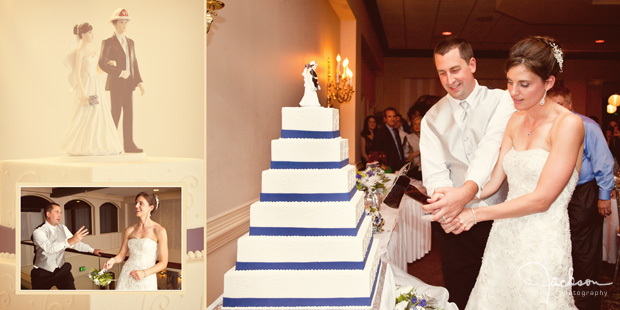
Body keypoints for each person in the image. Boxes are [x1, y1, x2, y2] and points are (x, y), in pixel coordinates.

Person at [445, 36, 583, 309]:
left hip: (543, 241)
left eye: (524, 84)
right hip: (503, 236)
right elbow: (495, 182)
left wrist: (476, 214)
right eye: (509, 82)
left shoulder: (568, 125)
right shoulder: (514, 120)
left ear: (549, 83)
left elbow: (542, 199)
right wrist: (458, 197)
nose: (513, 92)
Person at [419, 37, 515, 308]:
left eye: (455, 69)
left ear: (472, 64)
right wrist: (448, 209)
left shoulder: (502, 100)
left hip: (499, 217)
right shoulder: (431, 118)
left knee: (500, 293)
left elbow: (491, 148)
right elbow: (435, 174)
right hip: (454, 224)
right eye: (442, 72)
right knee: (460, 295)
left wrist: (466, 194)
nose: (450, 79)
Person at [548, 85, 614, 309]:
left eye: (560, 106)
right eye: (551, 106)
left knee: (584, 248)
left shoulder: (587, 126)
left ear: (569, 105)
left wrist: (604, 196)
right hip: (556, 193)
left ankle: (587, 300)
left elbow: (604, 164)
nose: (555, 111)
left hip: (584, 192)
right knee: (562, 244)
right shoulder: (548, 128)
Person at [60, 23, 122, 156]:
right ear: (82, 34)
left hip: (96, 86)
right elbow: (77, 73)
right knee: (86, 113)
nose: (92, 35)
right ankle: (83, 144)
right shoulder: (80, 52)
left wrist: (108, 65)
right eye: (89, 32)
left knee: (99, 114)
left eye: (92, 32)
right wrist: (83, 93)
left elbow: (97, 70)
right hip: (87, 86)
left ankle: (98, 143)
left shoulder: (93, 52)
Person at [99, 8, 145, 153]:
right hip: (116, 84)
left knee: (129, 114)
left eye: (126, 22)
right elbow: (102, 63)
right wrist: (119, 73)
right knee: (115, 113)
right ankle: (110, 144)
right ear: (115, 24)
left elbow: (134, 63)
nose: (124, 25)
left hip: (128, 84)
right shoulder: (108, 42)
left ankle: (129, 144)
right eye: (121, 22)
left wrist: (139, 81)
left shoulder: (130, 42)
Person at [103, 192, 168, 290]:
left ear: (151, 207)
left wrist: (144, 273)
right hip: (126, 274)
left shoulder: (159, 230)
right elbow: (121, 256)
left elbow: (163, 263)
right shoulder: (129, 230)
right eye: (136, 203)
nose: (136, 206)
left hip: (146, 276)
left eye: (141, 203)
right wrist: (113, 260)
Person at [31, 203, 102, 289]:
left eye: (60, 212)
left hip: (61, 270)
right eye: (57, 212)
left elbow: (76, 244)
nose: (60, 215)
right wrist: (71, 241)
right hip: (43, 273)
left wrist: (92, 250)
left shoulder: (63, 228)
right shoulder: (38, 232)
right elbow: (49, 248)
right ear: (48, 214)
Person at [375, 107, 406, 171]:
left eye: (394, 116)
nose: (392, 119)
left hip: (399, 165)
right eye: (389, 117)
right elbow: (377, 151)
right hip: (388, 168)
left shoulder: (395, 131)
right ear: (385, 119)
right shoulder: (380, 133)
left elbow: (399, 149)